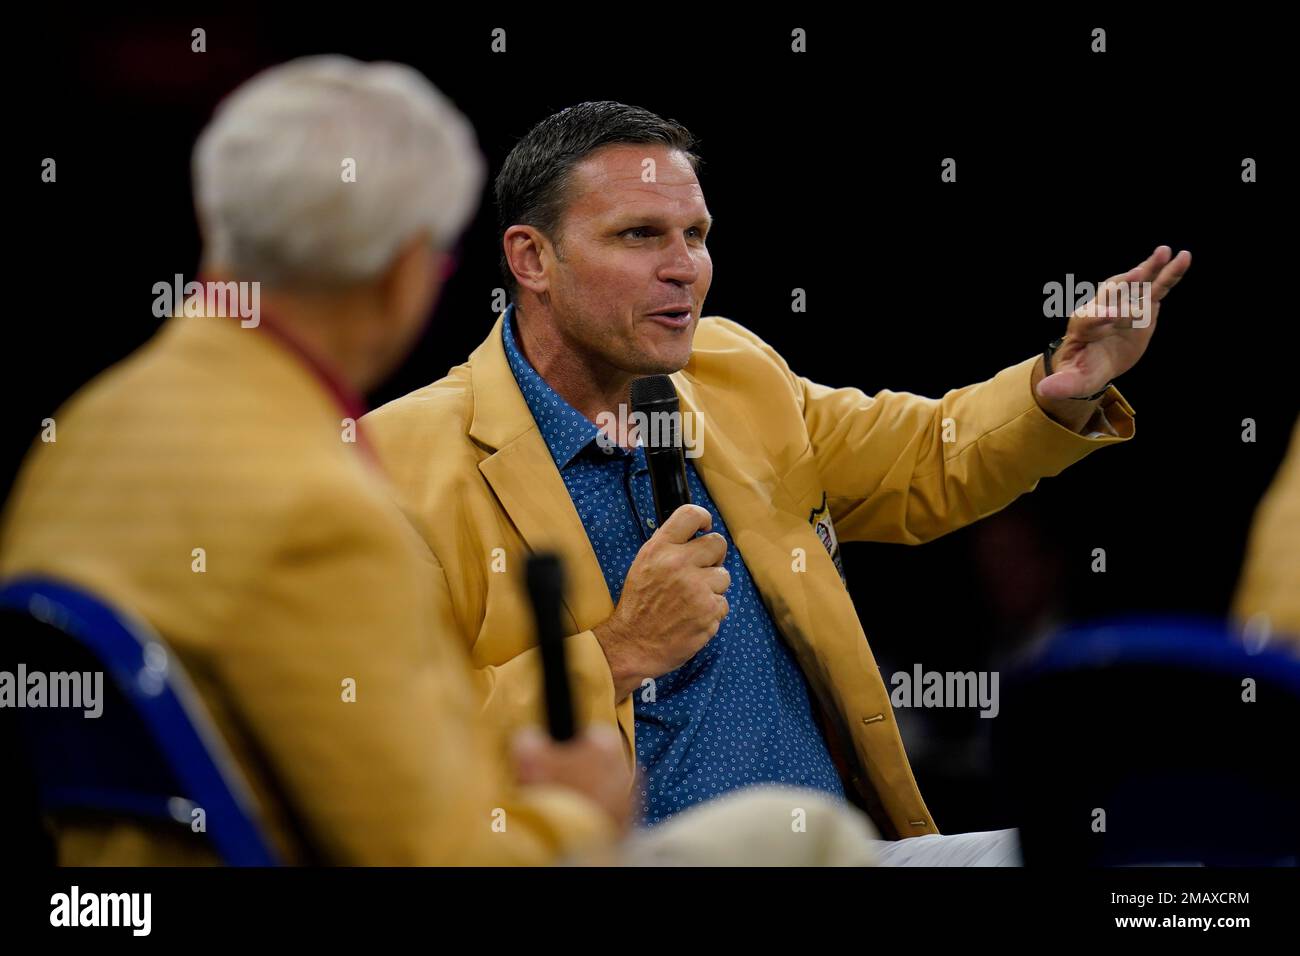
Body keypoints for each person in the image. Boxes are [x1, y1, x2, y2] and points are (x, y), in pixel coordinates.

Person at [362, 100, 1192, 860]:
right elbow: (384, 744)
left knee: (1146, 860)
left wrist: (1058, 386)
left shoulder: (734, 372)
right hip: (621, 861)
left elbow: (926, 458)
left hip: (840, 853)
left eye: (697, 234)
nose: (685, 267)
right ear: (530, 258)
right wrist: (619, 653)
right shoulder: (400, 461)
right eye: (640, 235)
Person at [0, 58, 629, 865]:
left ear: (216, 216)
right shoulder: (322, 514)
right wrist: (578, 815)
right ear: (408, 272)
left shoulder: (80, 433)